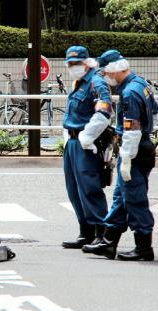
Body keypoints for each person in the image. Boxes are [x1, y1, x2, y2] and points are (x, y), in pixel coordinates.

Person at [82, 50, 158, 261]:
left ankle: (143, 247)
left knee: (134, 199)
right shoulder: (141, 84)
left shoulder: (130, 93)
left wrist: (126, 159)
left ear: (113, 71)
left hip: (134, 152)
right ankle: (108, 243)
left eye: (106, 73)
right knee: (120, 198)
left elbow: (132, 130)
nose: (106, 78)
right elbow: (155, 112)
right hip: (139, 148)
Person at [61, 45, 113, 249]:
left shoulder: (96, 82)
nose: (72, 67)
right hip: (72, 142)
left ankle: (101, 232)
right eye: (70, 64)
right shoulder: (78, 82)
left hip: (86, 144)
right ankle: (86, 232)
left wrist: (87, 138)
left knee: (90, 189)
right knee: (74, 190)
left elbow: (104, 113)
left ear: (87, 62)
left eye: (76, 63)